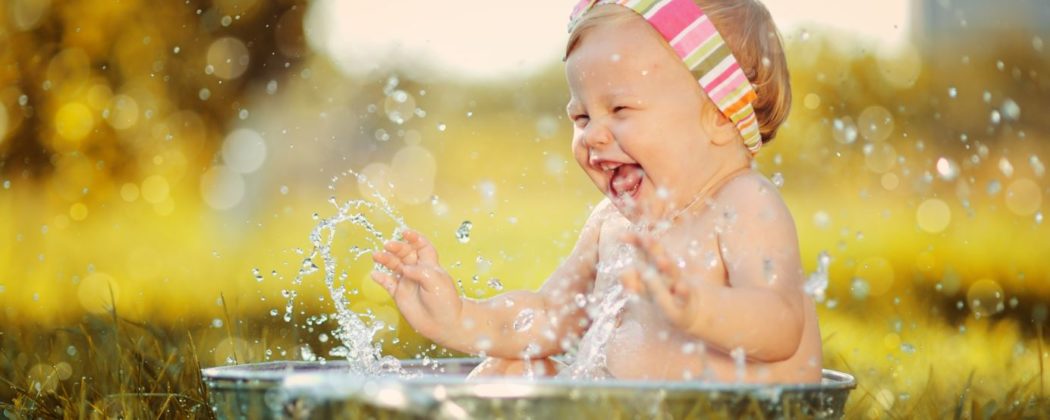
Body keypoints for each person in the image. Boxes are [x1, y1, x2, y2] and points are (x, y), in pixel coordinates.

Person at [370, 0, 822, 383]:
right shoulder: (611, 223)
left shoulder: (743, 204)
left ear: (721, 116)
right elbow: (549, 315)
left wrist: (701, 309)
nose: (592, 136)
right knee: (509, 369)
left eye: (620, 108)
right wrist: (460, 318)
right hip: (619, 408)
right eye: (581, 118)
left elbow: (781, 325)